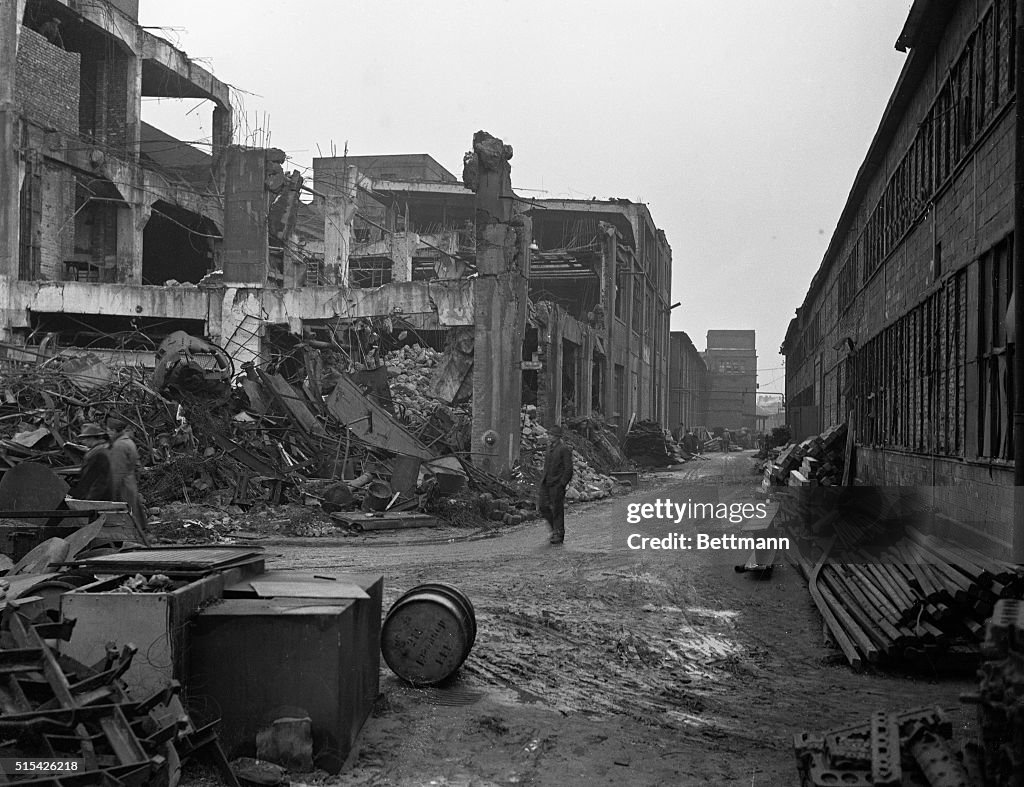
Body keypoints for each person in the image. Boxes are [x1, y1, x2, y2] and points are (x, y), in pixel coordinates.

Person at [107, 418, 148, 530]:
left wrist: (113, 491)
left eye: (109, 430)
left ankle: (132, 537)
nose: (108, 433)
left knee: (126, 513)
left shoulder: (119, 446)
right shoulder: (129, 442)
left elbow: (118, 471)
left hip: (123, 484)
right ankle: (140, 533)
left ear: (115, 431)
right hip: (130, 481)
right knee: (133, 509)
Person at [538, 424, 574, 545]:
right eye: (549, 434)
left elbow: (568, 469)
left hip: (557, 484)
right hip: (546, 482)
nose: (549, 436)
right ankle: (555, 529)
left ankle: (559, 533)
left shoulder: (563, 449)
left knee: (557, 509)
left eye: (552, 435)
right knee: (542, 506)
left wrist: (562, 483)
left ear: (558, 437)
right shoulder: (549, 448)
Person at [70, 423, 113, 500]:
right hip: (110, 492)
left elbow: (87, 479)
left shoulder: (94, 453)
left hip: (97, 494)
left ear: (91, 438)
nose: (83, 442)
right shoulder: (107, 447)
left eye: (84, 438)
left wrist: (78, 496)